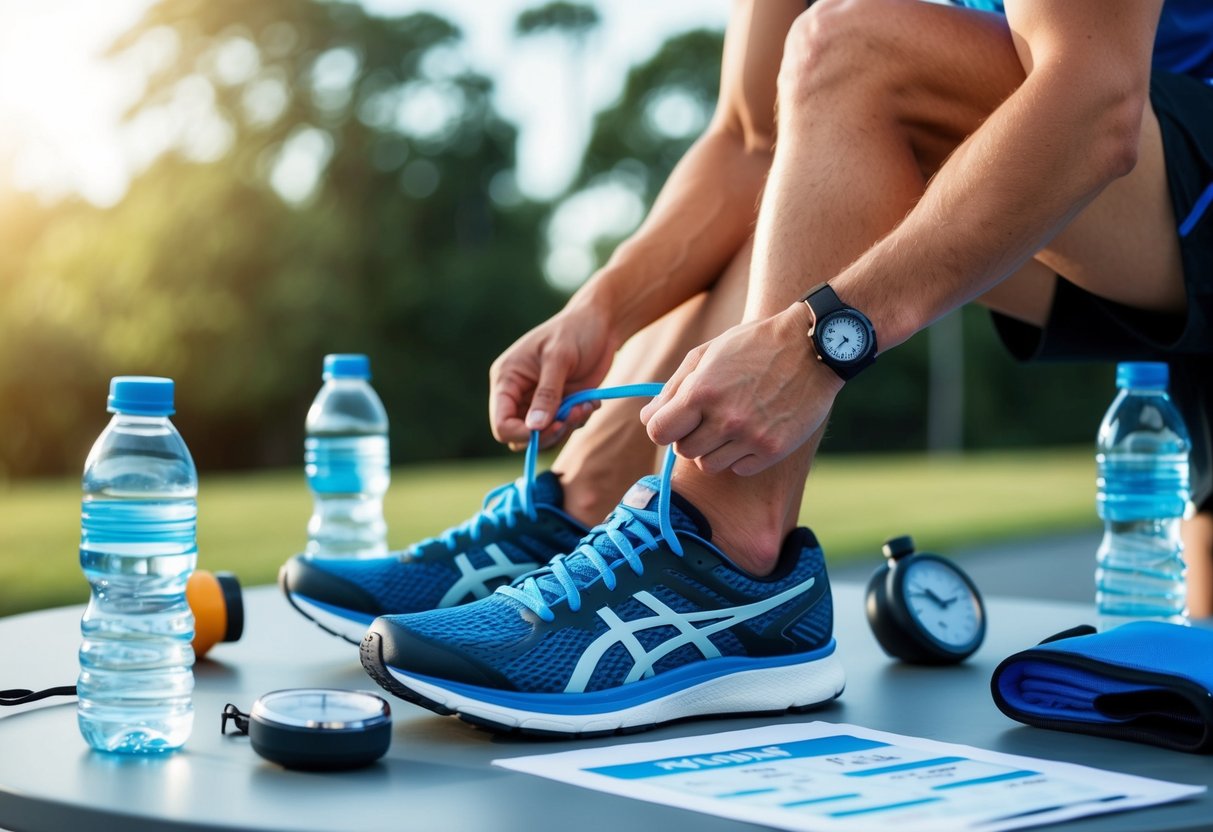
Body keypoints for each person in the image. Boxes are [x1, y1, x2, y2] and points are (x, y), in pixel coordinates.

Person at [283, 0, 1213, 734]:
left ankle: (725, 559)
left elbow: (1092, 100)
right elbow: (751, 141)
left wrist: (824, 336)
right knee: (826, 111)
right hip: (1123, 232)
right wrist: (600, 308)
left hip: (1160, 185)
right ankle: (583, 514)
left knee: (854, 54)